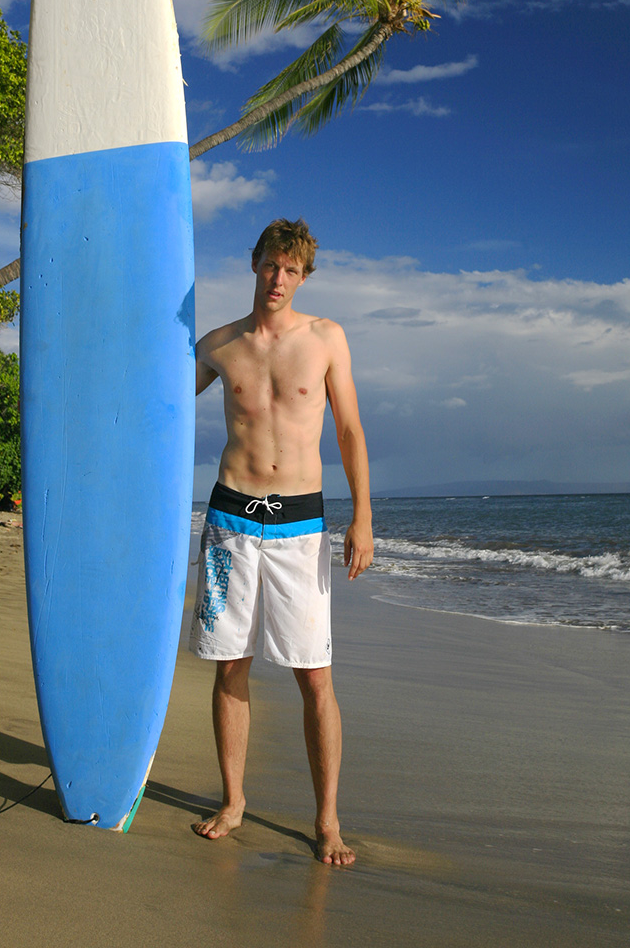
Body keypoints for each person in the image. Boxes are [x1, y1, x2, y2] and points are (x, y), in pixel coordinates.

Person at [189, 218, 374, 866]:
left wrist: (362, 520)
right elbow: (159, 407)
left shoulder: (326, 339)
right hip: (229, 522)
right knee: (229, 663)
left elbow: (349, 430)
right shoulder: (217, 344)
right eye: (270, 265)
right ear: (254, 264)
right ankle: (233, 800)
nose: (278, 278)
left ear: (304, 276)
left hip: (299, 527)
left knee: (313, 677)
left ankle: (326, 821)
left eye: (290, 270)